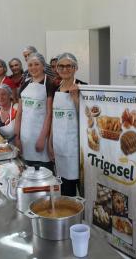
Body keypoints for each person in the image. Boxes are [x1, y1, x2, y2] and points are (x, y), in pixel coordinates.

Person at [48, 53, 87, 196]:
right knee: (65, 190)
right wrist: (50, 141)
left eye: (68, 66)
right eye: (61, 66)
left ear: (75, 67)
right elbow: (54, 117)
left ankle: (84, 218)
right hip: (60, 146)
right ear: (57, 69)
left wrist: (76, 98)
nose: (65, 69)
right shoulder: (56, 88)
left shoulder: (84, 87)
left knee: (83, 189)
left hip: (77, 147)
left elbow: (88, 117)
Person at [14, 52, 55, 170]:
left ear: (43, 66)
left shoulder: (49, 84)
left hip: (41, 136)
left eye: (36, 64)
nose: (33, 67)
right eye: (30, 65)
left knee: (44, 175)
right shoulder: (25, 84)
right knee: (28, 176)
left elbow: (49, 114)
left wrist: (43, 138)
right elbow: (19, 114)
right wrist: (17, 138)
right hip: (25, 138)